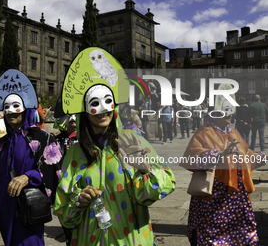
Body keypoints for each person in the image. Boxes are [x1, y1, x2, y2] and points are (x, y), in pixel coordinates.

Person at [54, 83, 176, 245]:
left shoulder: (132, 140)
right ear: (85, 110)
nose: (103, 109)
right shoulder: (75, 152)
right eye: (95, 103)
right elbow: (64, 215)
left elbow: (165, 184)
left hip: (131, 240)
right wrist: (78, 201)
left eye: (107, 101)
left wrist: (145, 169)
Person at [0, 69, 62, 246]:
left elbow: (53, 170)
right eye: (7, 107)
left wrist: (28, 177)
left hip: (29, 209)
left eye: (16, 106)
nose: (11, 111)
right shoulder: (0, 143)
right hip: (4, 210)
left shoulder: (43, 138)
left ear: (25, 107)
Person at [180, 109, 266, 245]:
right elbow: (191, 158)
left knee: (240, 228)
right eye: (224, 111)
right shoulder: (204, 132)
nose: (229, 114)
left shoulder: (233, 133)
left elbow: (246, 153)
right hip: (214, 194)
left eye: (230, 111)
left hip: (236, 195)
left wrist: (261, 158)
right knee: (211, 228)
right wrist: (219, 154)